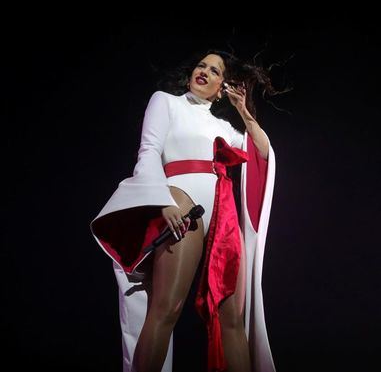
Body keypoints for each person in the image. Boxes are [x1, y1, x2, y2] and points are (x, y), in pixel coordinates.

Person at [90, 49, 284, 372]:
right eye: (201, 65)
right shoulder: (166, 102)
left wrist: (243, 110)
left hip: (222, 217)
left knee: (232, 319)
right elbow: (149, 152)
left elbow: (262, 150)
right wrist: (161, 200)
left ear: (223, 86)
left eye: (215, 70)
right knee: (167, 308)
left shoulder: (224, 126)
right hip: (181, 203)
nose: (205, 71)